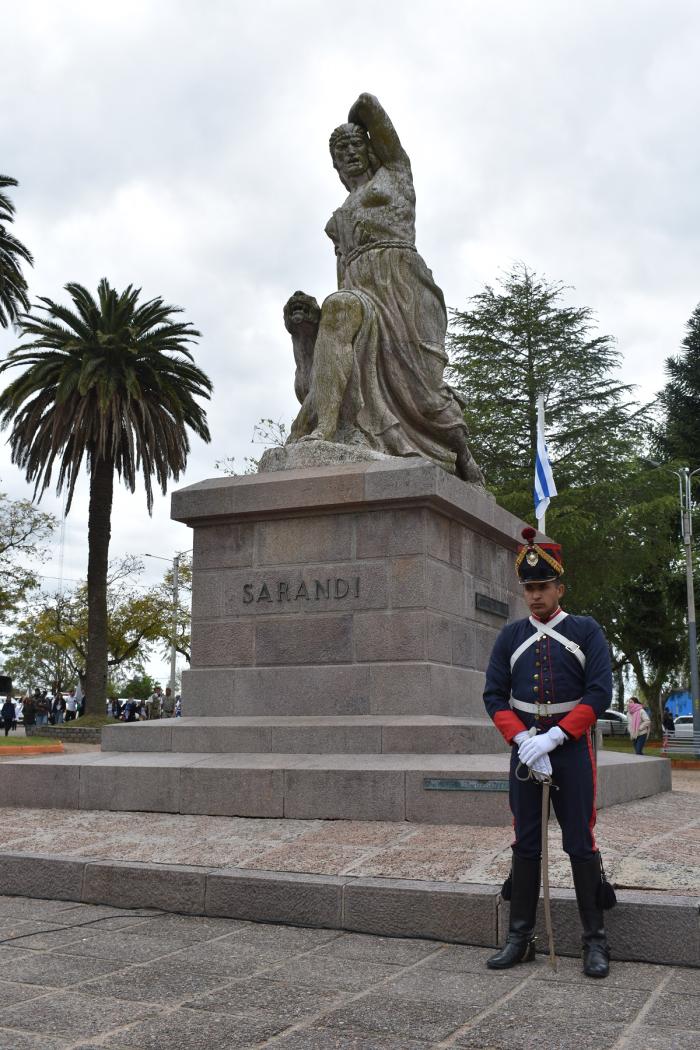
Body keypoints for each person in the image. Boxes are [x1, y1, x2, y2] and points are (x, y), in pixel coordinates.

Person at [288, 93, 483, 484]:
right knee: (339, 307)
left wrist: (353, 123)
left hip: (404, 286)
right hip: (361, 289)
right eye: (340, 151)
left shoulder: (395, 174)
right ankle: (323, 429)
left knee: (425, 395)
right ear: (334, 165)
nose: (349, 153)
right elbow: (343, 272)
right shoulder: (340, 214)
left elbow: (369, 105)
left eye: (356, 145)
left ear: (373, 148)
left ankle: (460, 453)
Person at [483, 526, 614, 979]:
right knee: (526, 843)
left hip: (570, 751)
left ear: (560, 587)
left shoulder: (585, 631)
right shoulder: (511, 636)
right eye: (529, 588)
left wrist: (555, 737)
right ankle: (520, 940)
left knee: (580, 842)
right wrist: (522, 740)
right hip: (525, 752)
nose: (535, 596)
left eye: (542, 587)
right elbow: (494, 697)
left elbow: (598, 694)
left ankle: (595, 942)